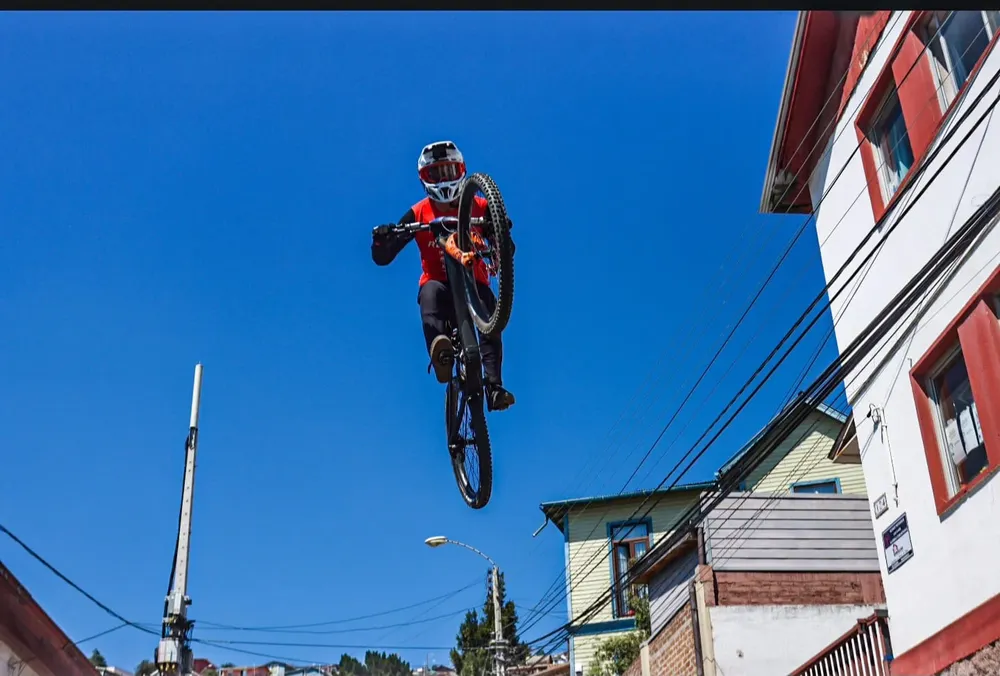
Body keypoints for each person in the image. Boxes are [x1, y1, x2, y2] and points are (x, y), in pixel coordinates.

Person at [371, 140, 516, 412]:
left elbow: (504, 242)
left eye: (449, 171)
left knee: (489, 315)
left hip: (475, 283)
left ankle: (494, 387)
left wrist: (501, 235)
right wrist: (383, 240)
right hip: (438, 283)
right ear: (424, 179)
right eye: (436, 174)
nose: (444, 179)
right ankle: (441, 350)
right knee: (429, 295)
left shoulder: (480, 204)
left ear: (461, 170)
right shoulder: (419, 212)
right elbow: (383, 257)